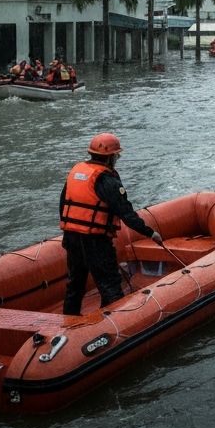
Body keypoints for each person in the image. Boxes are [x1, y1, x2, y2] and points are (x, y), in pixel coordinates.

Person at [59, 132, 163, 316]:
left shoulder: (77, 172)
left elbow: (63, 204)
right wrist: (150, 233)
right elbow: (126, 213)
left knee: (75, 284)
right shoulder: (106, 180)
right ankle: (115, 326)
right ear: (110, 158)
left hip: (72, 237)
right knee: (110, 285)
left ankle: (69, 320)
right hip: (95, 242)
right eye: (117, 156)